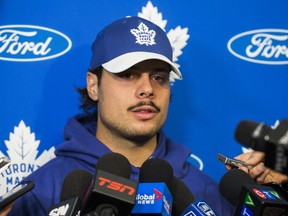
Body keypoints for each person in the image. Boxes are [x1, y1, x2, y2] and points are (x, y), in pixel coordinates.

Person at [9, 16, 234, 215]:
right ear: (93, 85)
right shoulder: (42, 191)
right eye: (128, 75)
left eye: (158, 77)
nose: (147, 89)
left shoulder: (206, 194)